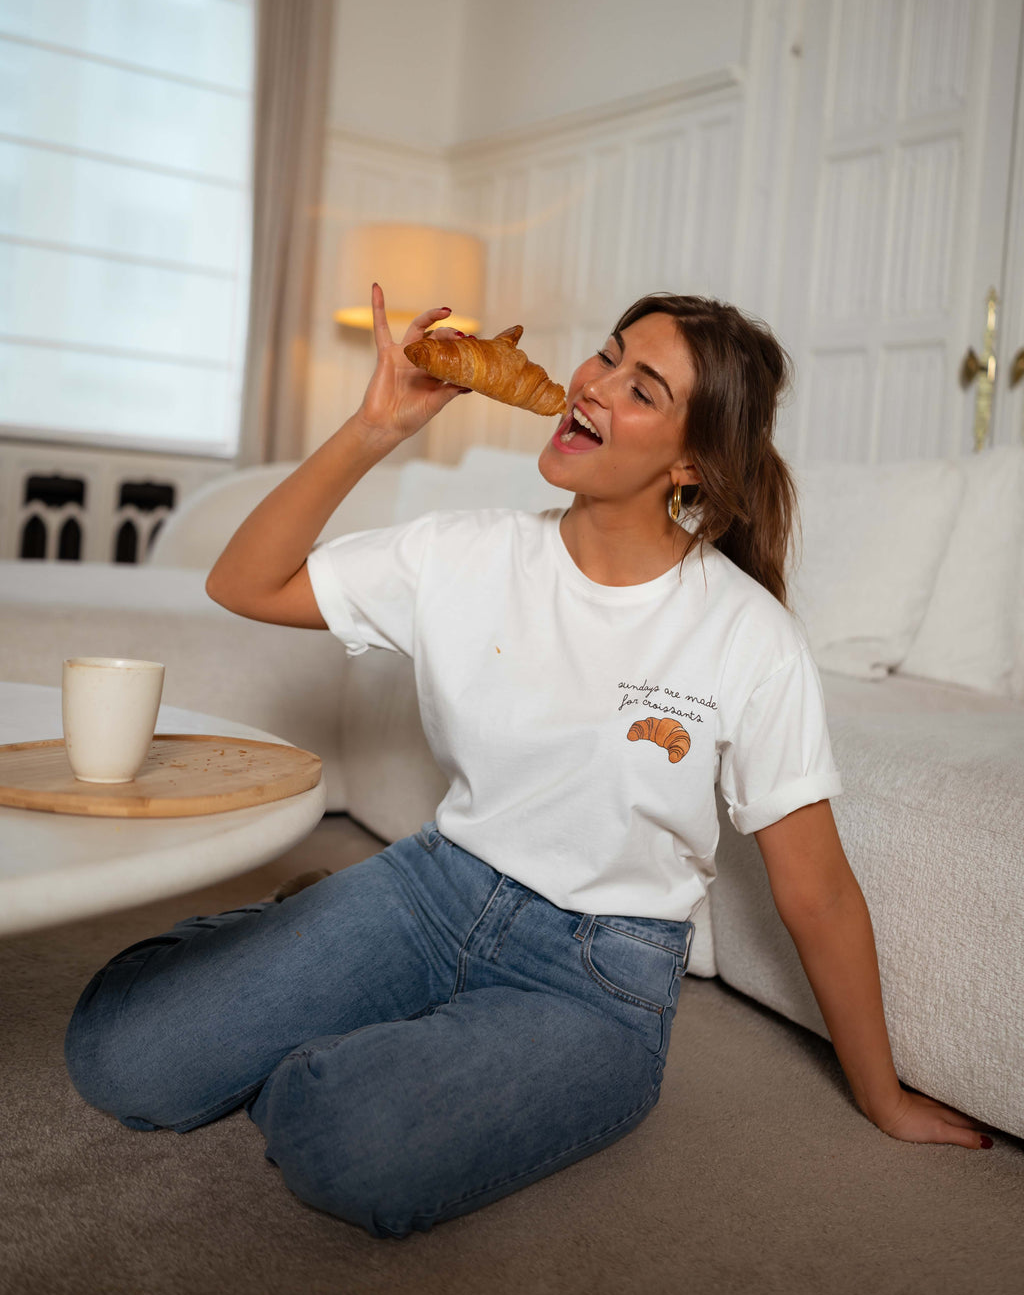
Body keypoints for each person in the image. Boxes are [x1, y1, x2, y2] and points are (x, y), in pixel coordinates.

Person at [64, 283, 993, 1240]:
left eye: (643, 388)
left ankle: (329, 989)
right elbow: (242, 581)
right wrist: (374, 424)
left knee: (349, 1143)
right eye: (607, 354)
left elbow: (818, 892)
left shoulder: (750, 636)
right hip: (432, 888)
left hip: (597, 976)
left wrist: (881, 1095)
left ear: (692, 463)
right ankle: (304, 942)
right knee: (123, 1058)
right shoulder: (465, 553)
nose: (592, 385)